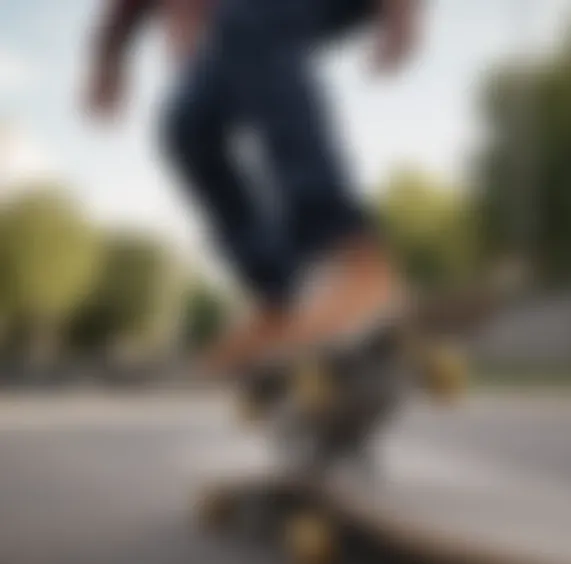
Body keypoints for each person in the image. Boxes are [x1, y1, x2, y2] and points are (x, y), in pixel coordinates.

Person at [86, 0, 422, 375]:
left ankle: (353, 259)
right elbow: (125, 10)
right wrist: (108, 59)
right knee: (187, 126)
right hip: (233, 37)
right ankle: (280, 298)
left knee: (247, 21)